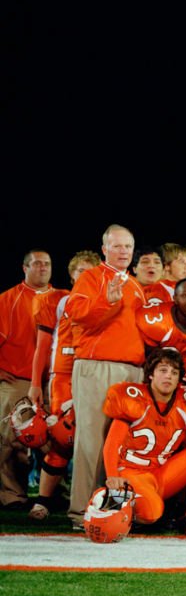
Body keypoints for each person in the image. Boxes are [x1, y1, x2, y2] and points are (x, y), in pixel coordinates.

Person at [66, 225, 147, 527]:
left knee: (120, 444)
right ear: (104, 249)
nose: (123, 251)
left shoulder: (135, 285)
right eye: (117, 246)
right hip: (98, 366)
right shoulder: (90, 278)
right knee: (91, 440)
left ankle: (111, 510)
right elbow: (77, 314)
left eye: (128, 246)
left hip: (131, 369)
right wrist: (108, 302)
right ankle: (80, 512)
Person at [102, 348, 186, 535]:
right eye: (163, 370)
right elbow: (111, 444)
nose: (169, 376)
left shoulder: (184, 403)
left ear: (179, 380)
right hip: (131, 472)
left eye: (174, 373)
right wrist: (112, 476)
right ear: (151, 374)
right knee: (152, 513)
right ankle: (109, 501)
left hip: (160, 474)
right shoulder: (134, 398)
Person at [27, 251, 100, 519]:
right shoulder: (55, 301)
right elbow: (42, 346)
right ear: (71, 274)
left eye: (90, 271)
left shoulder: (106, 301)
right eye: (80, 271)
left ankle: (92, 496)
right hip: (65, 374)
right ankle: (43, 500)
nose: (85, 276)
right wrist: (36, 383)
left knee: (95, 437)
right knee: (63, 436)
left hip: (94, 371)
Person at [0, 250, 53, 508]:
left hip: (52, 380)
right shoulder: (7, 299)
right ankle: (12, 496)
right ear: (24, 268)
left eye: (47, 264)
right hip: (17, 379)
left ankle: (55, 493)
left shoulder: (62, 298)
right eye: (37, 263)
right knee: (11, 441)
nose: (42, 268)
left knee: (57, 439)